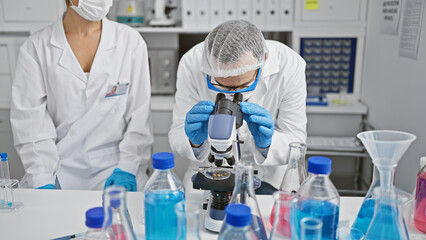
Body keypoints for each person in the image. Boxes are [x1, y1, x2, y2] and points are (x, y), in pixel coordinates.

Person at [10, 0, 153, 191]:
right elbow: (31, 127)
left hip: (118, 168)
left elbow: (140, 118)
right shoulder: (36, 48)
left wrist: (127, 168)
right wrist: (42, 178)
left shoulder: (130, 42)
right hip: (60, 170)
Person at [169, 20, 307, 194]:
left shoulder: (290, 65)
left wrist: (268, 143)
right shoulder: (192, 62)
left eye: (242, 86)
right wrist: (194, 142)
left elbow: (297, 144)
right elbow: (176, 135)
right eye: (221, 86)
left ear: (263, 61)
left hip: (268, 180)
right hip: (206, 175)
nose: (232, 94)